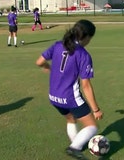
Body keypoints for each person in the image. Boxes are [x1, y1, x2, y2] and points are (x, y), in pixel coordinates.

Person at [36, 19, 103, 159]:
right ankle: (74, 148)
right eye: (90, 38)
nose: (89, 41)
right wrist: (96, 109)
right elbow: (85, 85)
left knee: (71, 119)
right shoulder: (83, 54)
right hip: (70, 98)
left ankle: (77, 142)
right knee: (92, 126)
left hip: (54, 97)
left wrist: (47, 67)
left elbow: (39, 62)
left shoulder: (58, 45)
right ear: (85, 37)